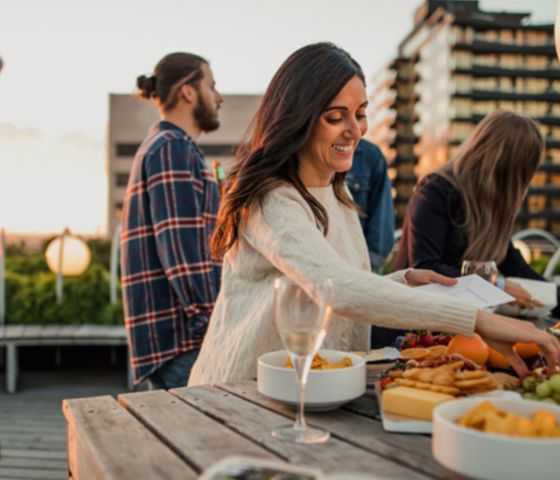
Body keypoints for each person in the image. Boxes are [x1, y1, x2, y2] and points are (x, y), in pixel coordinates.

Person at [188, 44, 560, 386]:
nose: (355, 130)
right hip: (239, 391)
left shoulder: (339, 192)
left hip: (312, 388)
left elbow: (343, 281)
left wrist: (403, 280)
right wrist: (478, 320)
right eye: (337, 116)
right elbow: (336, 287)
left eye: (361, 114)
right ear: (298, 117)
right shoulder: (270, 198)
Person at [393, 110, 560, 325]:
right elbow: (426, 267)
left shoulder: (492, 205)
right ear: (506, 165)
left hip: (458, 325)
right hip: (410, 327)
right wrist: (497, 285)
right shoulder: (435, 191)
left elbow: (514, 265)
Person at [121, 52, 223, 389]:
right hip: (184, 337)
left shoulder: (167, 146)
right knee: (203, 439)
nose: (219, 97)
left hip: (179, 334)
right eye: (212, 86)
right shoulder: (171, 147)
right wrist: (210, 322)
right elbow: (182, 250)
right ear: (188, 92)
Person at [346, 139, 394, 271]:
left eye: (359, 117)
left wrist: (370, 264)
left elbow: (382, 215)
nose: (355, 128)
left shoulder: (371, 155)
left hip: (359, 266)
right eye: (334, 118)